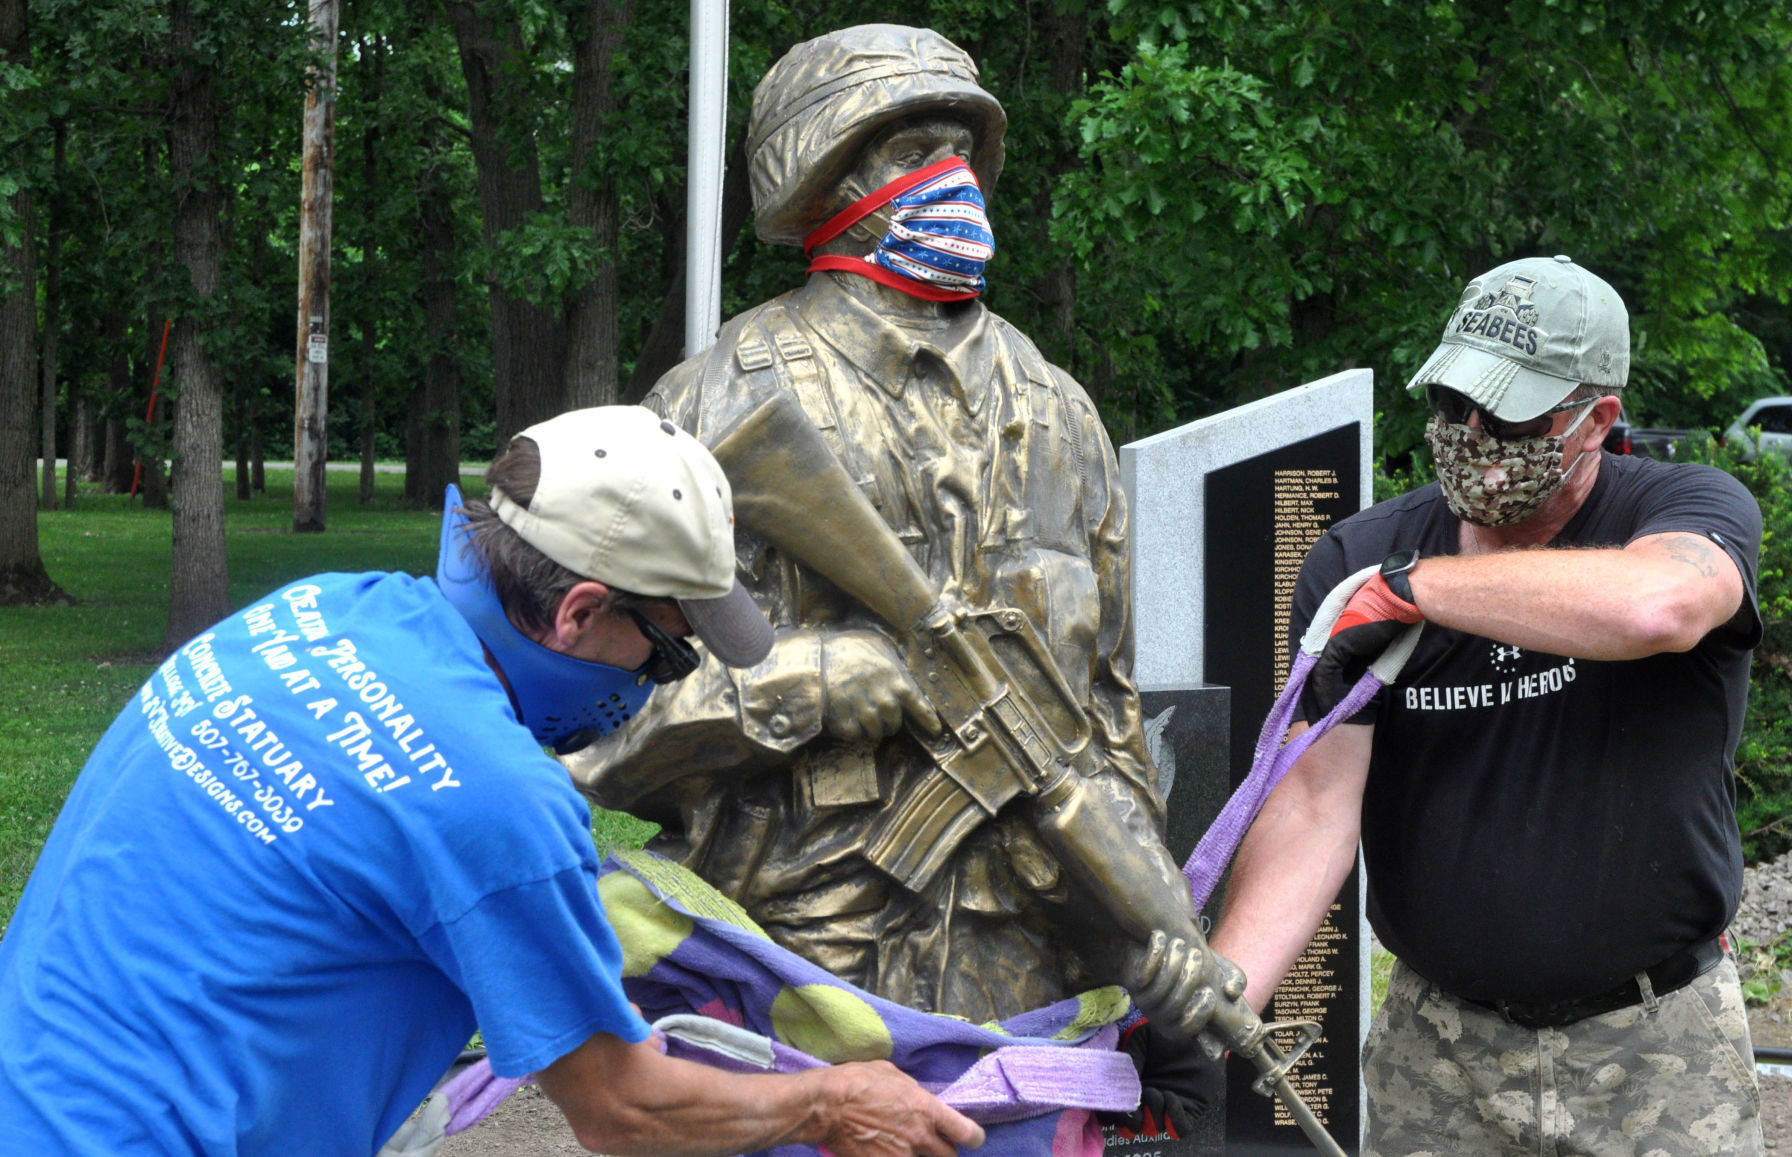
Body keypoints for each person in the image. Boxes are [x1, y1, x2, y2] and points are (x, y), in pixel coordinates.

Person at [0, 405, 984, 1157]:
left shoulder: (318, 610)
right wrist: (833, 1098)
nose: (654, 687)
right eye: (666, 656)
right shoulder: (499, 799)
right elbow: (621, 1106)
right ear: (580, 613)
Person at [559, 25, 1223, 1051]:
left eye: (963, 151)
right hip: (790, 983)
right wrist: (806, 678)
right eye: (916, 152)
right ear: (824, 172)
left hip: (1021, 993)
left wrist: (1143, 924)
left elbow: (1105, 718)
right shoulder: (716, 405)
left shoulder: (1059, 418)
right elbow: (595, 733)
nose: (954, 181)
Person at [1211, 256, 1766, 1154]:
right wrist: (1217, 1005)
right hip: (1442, 1055)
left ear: (1598, 420)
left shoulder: (1684, 506)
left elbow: (1656, 606)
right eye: (1451, 404)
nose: (1472, 432)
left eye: (1508, 412)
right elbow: (1314, 806)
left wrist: (1417, 590)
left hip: (1656, 1048)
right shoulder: (1361, 556)